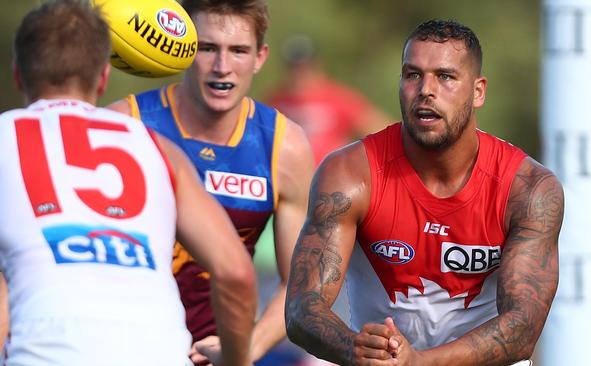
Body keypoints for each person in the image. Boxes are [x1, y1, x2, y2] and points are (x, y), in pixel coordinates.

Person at [285, 19, 564, 366]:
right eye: (412, 74)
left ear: (478, 91)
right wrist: (354, 347)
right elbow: (301, 308)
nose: (425, 90)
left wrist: (420, 361)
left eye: (445, 76)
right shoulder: (349, 174)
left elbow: (522, 330)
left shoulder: (529, 189)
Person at [0, 1, 257, 365]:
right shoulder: (157, 147)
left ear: (17, 75)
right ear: (103, 77)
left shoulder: (5, 135)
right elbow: (236, 273)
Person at [107, 0, 314, 363]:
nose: (223, 67)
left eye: (238, 51)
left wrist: (243, 349)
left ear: (260, 57)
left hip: (218, 351)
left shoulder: (284, 146)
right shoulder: (124, 125)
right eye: (207, 48)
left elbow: (300, 285)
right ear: (184, 49)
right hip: (124, 343)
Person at [267, 34, 390, 165]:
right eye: (293, 67)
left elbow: (381, 131)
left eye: (305, 67)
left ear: (318, 66)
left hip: (327, 177)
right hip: (289, 178)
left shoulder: (337, 98)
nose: (299, 73)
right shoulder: (276, 101)